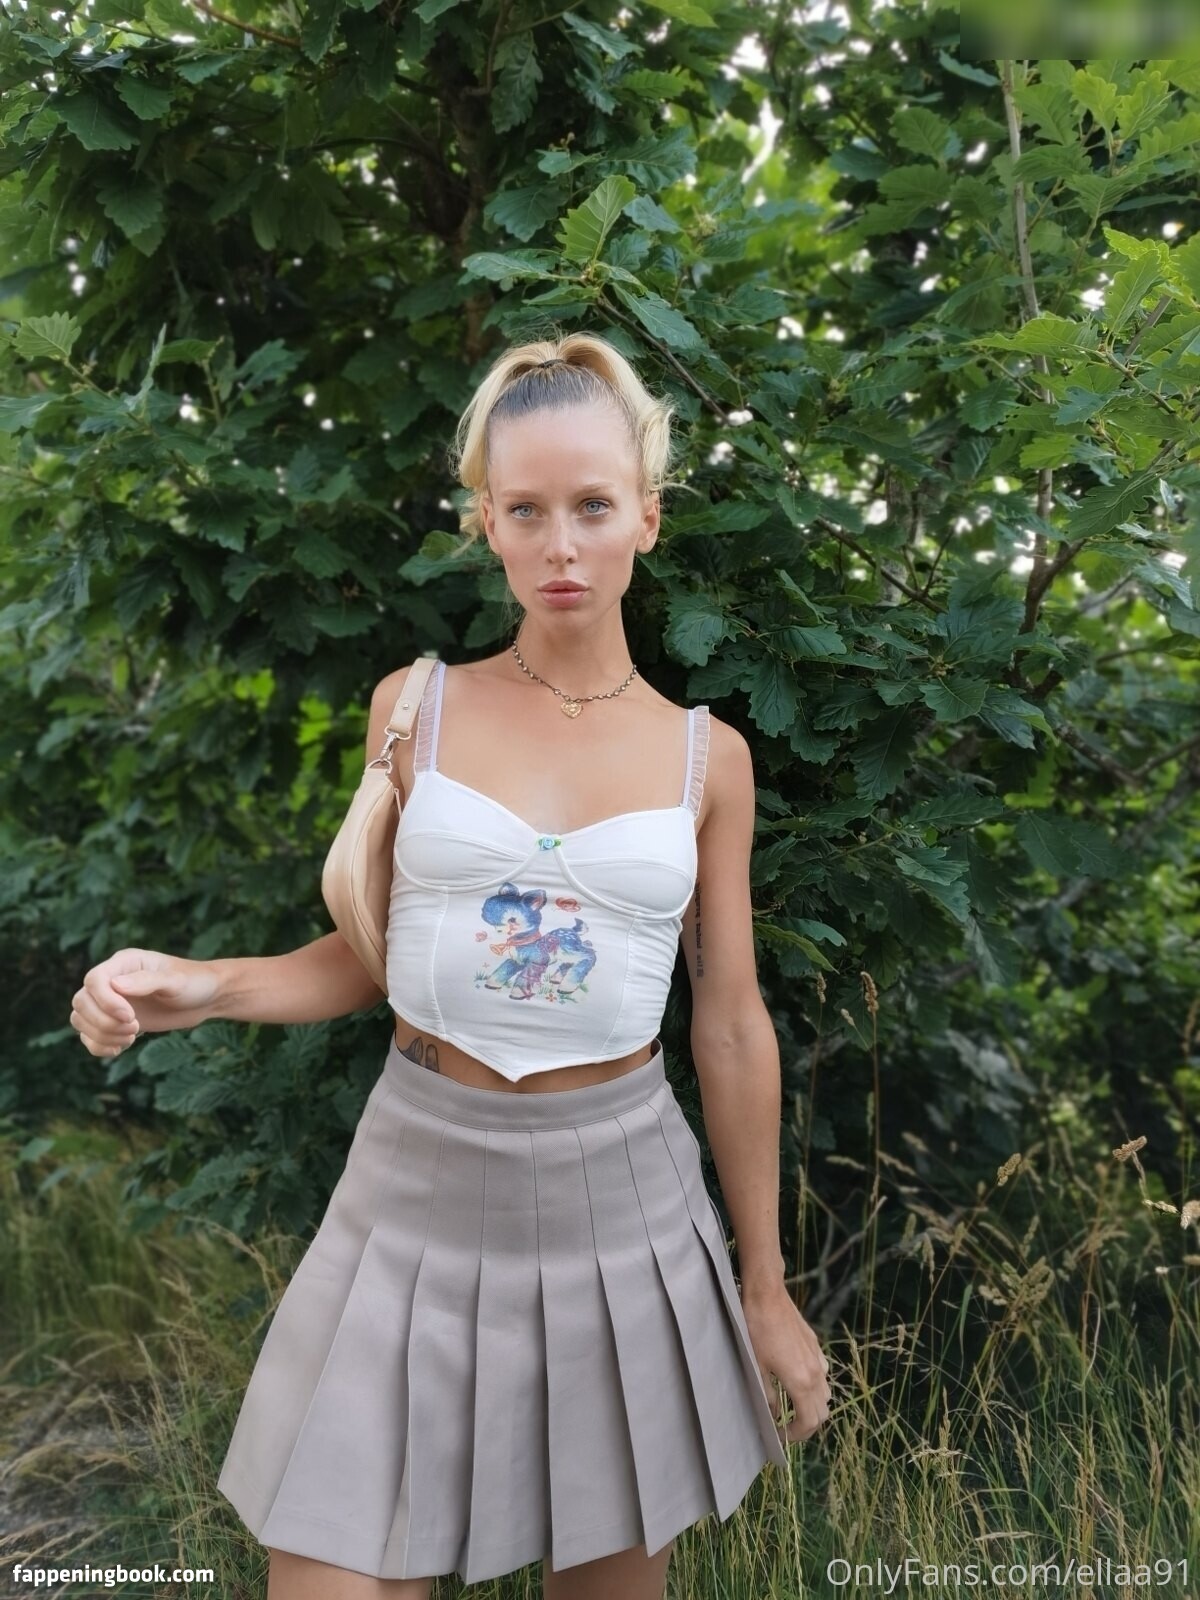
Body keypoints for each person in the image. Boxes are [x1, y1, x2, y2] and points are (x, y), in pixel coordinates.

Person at [70, 332, 831, 1600]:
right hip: (413, 1191)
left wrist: (767, 1284)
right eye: (525, 509)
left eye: (593, 506)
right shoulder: (414, 709)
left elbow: (733, 1024)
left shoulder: (713, 760)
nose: (561, 545)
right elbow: (372, 958)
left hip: (623, 1210)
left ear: (648, 515)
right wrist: (202, 987)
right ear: (486, 522)